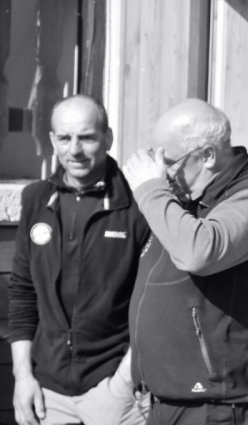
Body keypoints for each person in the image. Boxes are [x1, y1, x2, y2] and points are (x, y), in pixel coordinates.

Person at [122, 98, 248, 425]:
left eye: (168, 161)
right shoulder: (182, 200)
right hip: (167, 400)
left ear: (209, 155)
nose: (161, 173)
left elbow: (199, 252)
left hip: (226, 408)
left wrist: (151, 191)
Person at [8, 94, 150, 425]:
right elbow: (23, 293)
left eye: (86, 137)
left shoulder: (139, 205)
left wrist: (121, 385)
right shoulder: (37, 199)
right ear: (52, 141)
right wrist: (23, 377)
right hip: (47, 393)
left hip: (117, 390)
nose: (74, 150)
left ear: (108, 138)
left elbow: (153, 305)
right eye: (65, 138)